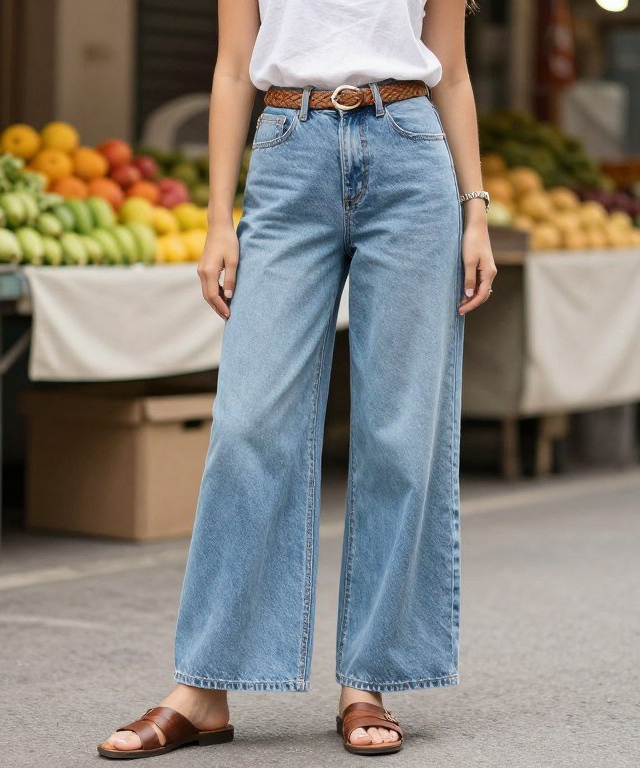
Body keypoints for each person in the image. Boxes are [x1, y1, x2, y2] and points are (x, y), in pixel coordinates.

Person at [98, 0, 496, 759]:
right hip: (287, 153)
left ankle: (369, 679)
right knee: (248, 425)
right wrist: (220, 217)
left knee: (399, 432)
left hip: (412, 152)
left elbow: (453, 67)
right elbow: (229, 66)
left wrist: (474, 209)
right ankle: (205, 687)